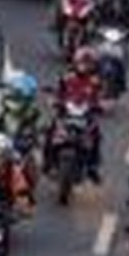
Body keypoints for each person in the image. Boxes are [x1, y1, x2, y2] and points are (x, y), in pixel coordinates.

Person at [53, 47, 104, 182]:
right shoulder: (66, 78)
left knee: (96, 135)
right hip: (67, 113)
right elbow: (59, 93)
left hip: (85, 115)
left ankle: (93, 166)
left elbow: (97, 98)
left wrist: (98, 106)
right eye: (82, 62)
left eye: (88, 63)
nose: (84, 66)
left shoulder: (95, 81)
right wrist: (56, 101)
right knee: (51, 130)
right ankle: (49, 161)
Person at [0, 72, 42, 183]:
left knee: (34, 162)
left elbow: (39, 129)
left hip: (22, 148)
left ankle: (22, 191)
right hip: (3, 144)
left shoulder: (33, 112)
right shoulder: (4, 108)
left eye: (20, 95)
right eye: (16, 93)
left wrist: (33, 138)